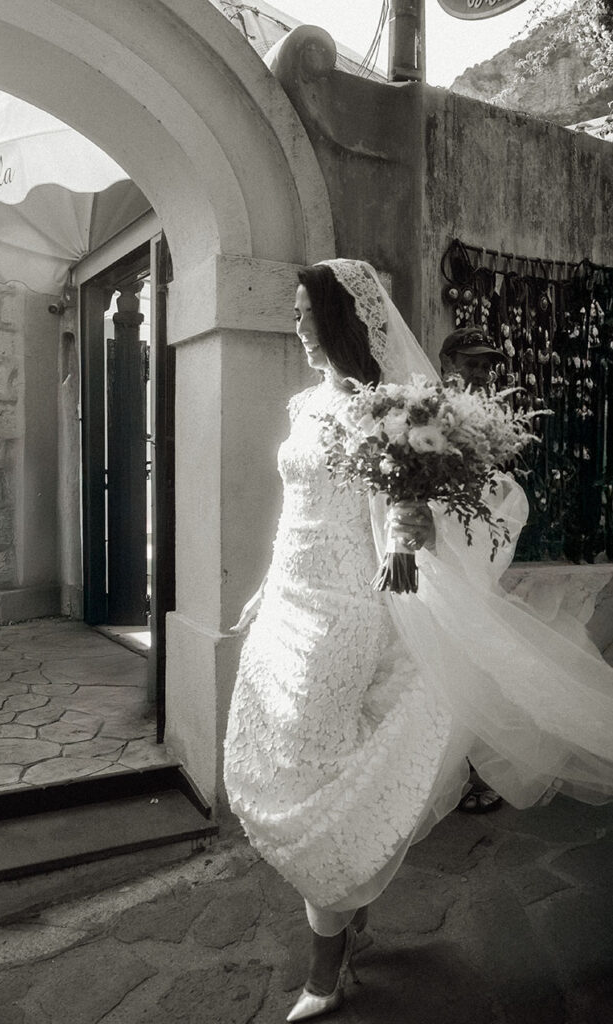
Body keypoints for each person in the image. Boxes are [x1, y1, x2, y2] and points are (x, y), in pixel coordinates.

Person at [224, 259, 613, 1023]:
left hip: (349, 616)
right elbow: (292, 509)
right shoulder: (306, 405)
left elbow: (478, 498)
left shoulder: (404, 407)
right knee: (284, 756)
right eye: (295, 312)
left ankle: (325, 967)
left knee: (313, 772)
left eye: (307, 313)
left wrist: (411, 526)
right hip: (288, 607)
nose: (296, 325)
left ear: (342, 320)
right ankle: (345, 898)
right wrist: (263, 587)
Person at [440, 325, 510, 814]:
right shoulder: (427, 413)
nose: (481, 373)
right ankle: (450, 774)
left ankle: (471, 769)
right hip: (436, 553)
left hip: (471, 553)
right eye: (471, 363)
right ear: (448, 363)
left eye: (486, 365)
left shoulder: (486, 417)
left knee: (474, 661)